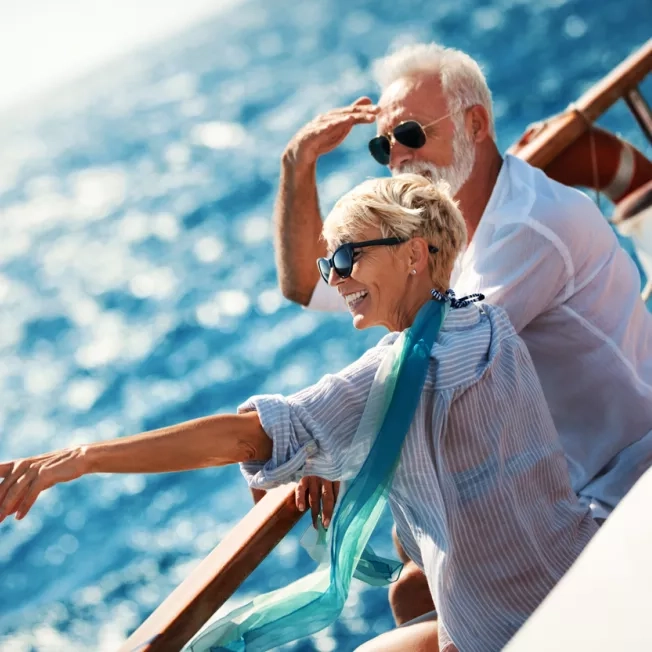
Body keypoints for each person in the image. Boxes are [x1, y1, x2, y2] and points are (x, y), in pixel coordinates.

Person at [0, 175, 597, 652]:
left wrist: (81, 459)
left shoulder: (392, 377)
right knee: (410, 594)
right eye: (328, 264)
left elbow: (245, 439)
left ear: (414, 253)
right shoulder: (487, 318)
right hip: (582, 567)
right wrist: (336, 451)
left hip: (512, 629)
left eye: (346, 255)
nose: (334, 278)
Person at [272, 42, 652, 623]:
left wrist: (313, 437)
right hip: (570, 481)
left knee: (417, 589)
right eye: (383, 146)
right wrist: (297, 164)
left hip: (624, 482)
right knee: (411, 592)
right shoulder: (443, 241)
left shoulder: (527, 227)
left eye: (411, 134)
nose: (397, 157)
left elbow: (430, 365)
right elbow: (305, 283)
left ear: (476, 123)